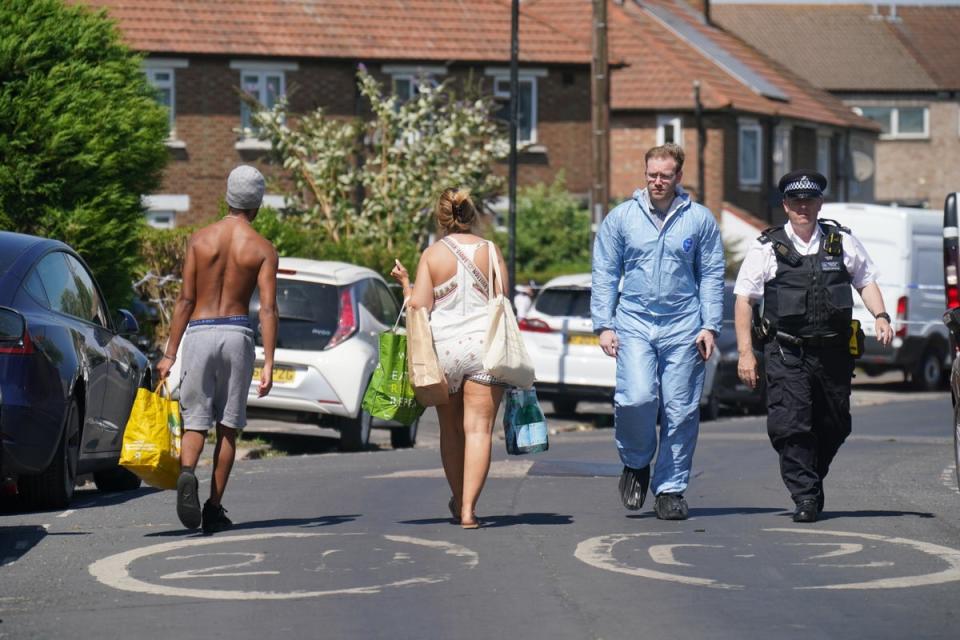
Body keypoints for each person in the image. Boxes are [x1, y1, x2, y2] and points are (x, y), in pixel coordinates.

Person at [733, 170, 893, 523]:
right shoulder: (766, 248)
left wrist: (881, 315)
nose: (803, 207)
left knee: (835, 424)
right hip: (787, 352)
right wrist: (746, 352)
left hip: (834, 352)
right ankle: (805, 495)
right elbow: (744, 299)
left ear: (820, 203)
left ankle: (810, 476)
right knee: (791, 425)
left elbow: (866, 280)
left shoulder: (842, 242)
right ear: (786, 206)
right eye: (795, 201)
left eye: (809, 200)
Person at [591, 143, 724, 520]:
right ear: (645, 173)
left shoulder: (698, 219)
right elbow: (604, 272)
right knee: (635, 397)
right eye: (652, 175)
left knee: (680, 410)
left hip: (683, 324)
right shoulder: (622, 219)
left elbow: (712, 275)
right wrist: (603, 324)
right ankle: (635, 462)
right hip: (634, 322)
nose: (657, 182)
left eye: (665, 175)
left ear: (679, 176)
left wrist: (710, 325)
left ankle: (670, 489)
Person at [157, 165, 279, 534]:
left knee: (195, 421)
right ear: (256, 205)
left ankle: (188, 474)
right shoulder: (262, 248)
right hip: (237, 335)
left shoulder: (199, 239)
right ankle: (213, 507)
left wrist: (169, 353)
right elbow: (269, 309)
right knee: (228, 426)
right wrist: (269, 362)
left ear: (226, 197)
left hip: (199, 331)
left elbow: (185, 300)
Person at [390, 188, 508, 529]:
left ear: (442, 219)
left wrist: (406, 285)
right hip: (485, 349)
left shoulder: (432, 255)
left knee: (451, 431)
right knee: (479, 430)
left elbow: (419, 307)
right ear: (472, 214)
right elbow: (503, 299)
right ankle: (469, 510)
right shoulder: (490, 250)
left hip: (446, 351)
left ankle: (458, 499)